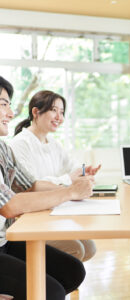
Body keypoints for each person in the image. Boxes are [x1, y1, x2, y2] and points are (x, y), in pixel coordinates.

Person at [0, 76, 92, 299]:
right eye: (4, 105)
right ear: (36, 113)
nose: (11, 114)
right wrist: (69, 191)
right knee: (51, 292)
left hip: (4, 240)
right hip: (7, 235)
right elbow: (10, 206)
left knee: (73, 272)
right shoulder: (20, 142)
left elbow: (30, 185)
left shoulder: (3, 148)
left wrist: (73, 187)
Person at [9, 90, 100, 262]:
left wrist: (83, 172)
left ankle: (62, 282)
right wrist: (69, 181)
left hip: (53, 209)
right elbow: (31, 186)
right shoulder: (20, 144)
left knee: (89, 247)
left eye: (62, 112)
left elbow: (71, 167)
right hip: (30, 215)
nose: (59, 117)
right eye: (54, 110)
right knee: (76, 249)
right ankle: (46, 286)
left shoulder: (53, 143)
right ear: (36, 112)